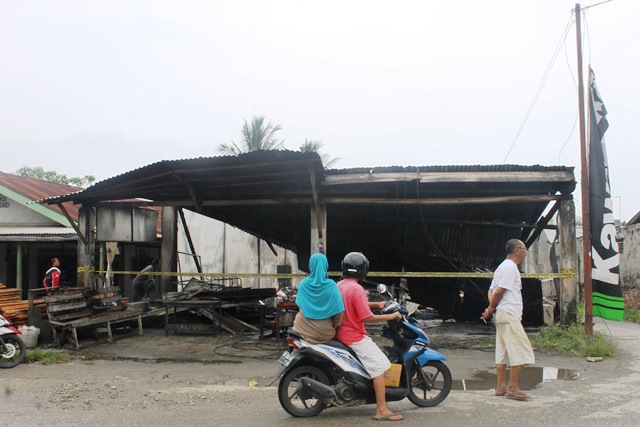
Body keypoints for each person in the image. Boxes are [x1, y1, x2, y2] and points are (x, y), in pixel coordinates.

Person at [336, 252, 404, 422]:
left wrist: (376, 304)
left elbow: (353, 303)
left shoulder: (341, 285)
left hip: (342, 332)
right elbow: (366, 318)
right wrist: (391, 316)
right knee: (380, 365)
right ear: (363, 269)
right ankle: (381, 409)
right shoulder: (357, 288)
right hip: (354, 335)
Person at [481, 239, 535, 401]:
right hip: (509, 313)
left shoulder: (501, 267)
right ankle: (512, 386)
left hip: (501, 314)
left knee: (502, 351)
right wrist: (491, 307)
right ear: (517, 250)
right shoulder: (511, 268)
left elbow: (491, 290)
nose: (526, 252)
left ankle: (500, 386)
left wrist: (490, 308)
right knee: (520, 348)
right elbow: (499, 292)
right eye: (524, 249)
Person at [292, 253, 345, 344]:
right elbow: (339, 312)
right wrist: (336, 324)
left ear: (310, 265)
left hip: (301, 330)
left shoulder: (303, 284)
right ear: (326, 266)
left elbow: (300, 306)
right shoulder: (331, 285)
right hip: (324, 334)